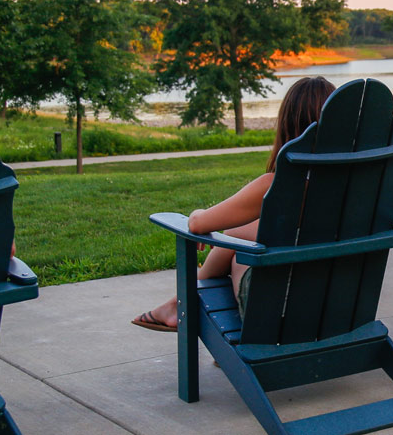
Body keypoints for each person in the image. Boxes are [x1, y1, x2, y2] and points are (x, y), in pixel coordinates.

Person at [133, 77, 334, 331]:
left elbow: (197, 224)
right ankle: (176, 305)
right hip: (338, 304)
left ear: (287, 125)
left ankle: (182, 305)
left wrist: (198, 214)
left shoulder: (277, 185)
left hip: (280, 314)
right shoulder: (356, 186)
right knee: (238, 238)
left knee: (241, 255)